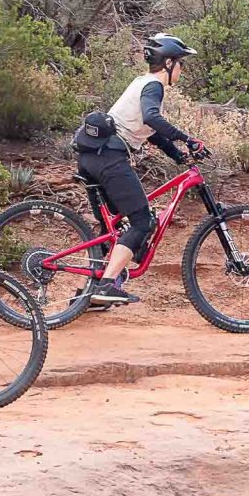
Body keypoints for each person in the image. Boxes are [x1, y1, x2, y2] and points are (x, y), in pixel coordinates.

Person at [72, 34, 206, 308]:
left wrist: (177, 155)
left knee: (115, 227)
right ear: (168, 63)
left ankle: (89, 294)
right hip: (109, 158)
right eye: (181, 63)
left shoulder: (142, 83)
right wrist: (188, 139)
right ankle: (108, 285)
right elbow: (152, 118)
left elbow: (151, 132)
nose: (182, 69)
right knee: (142, 221)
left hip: (93, 158)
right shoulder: (154, 86)